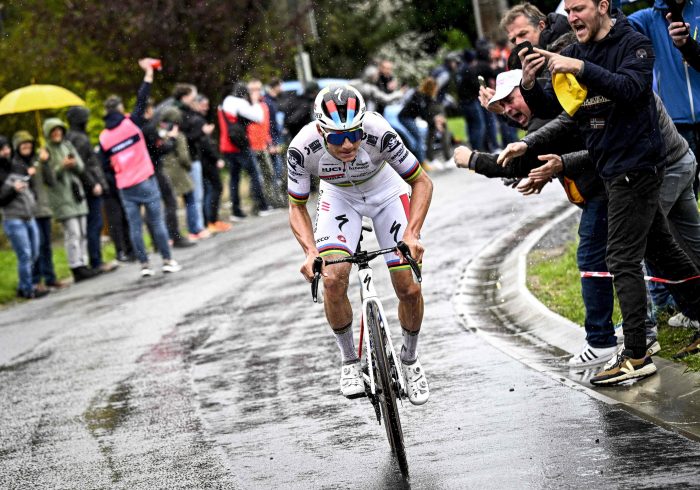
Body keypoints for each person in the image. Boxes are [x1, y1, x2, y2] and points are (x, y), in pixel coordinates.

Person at [519, 0, 700, 385]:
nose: (572, 17)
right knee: (666, 254)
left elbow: (632, 90)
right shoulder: (577, 51)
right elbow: (565, 108)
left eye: (580, 8)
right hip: (612, 168)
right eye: (569, 10)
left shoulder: (632, 43)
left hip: (638, 167)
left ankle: (636, 353)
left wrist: (581, 68)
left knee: (620, 258)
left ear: (603, 7)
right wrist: (530, 85)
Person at [287, 85, 433, 405]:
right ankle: (350, 360)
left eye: (354, 133)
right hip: (339, 199)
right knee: (333, 277)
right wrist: (310, 252)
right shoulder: (302, 148)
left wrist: (413, 233)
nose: (349, 143)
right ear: (320, 130)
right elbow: (296, 205)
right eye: (337, 138)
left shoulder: (379, 132)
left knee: (408, 286)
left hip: (386, 194)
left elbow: (421, 181)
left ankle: (409, 360)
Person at [98, 58, 181, 277]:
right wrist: (148, 74)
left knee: (135, 227)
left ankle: (144, 265)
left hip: (125, 186)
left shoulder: (104, 137)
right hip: (145, 178)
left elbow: (105, 165)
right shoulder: (130, 123)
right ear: (120, 109)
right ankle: (167, 260)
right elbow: (142, 99)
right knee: (156, 221)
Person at [41, 118, 99, 283]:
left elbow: (81, 167)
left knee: (82, 231)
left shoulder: (68, 145)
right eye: (54, 131)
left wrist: (73, 164)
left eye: (59, 130)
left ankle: (83, 262)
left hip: (76, 194)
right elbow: (50, 179)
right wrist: (60, 166)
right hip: (61, 197)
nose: (57, 133)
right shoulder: (46, 152)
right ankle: (75, 266)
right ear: (48, 133)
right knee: (72, 233)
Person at [12, 130, 67, 291]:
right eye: (23, 144)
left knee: (46, 246)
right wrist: (26, 174)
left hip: (44, 208)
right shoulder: (16, 165)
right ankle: (36, 280)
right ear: (17, 147)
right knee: (36, 246)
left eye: (29, 143)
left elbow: (51, 181)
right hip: (29, 211)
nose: (27, 146)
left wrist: (46, 162)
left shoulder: (38, 160)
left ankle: (50, 278)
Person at [65, 106, 117, 274]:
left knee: (91, 226)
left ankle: (92, 260)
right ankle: (96, 261)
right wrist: (93, 183)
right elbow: (82, 166)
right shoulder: (79, 139)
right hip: (89, 187)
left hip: (84, 186)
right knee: (94, 225)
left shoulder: (72, 137)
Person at [218, 81, 275, 220]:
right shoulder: (239, 103)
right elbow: (259, 117)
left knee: (234, 178)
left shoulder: (225, 103)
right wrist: (254, 102)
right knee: (255, 174)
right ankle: (262, 206)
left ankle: (236, 210)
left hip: (226, 145)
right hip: (240, 146)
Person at [0, 136, 47, 299]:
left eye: (6, 147)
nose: (5, 151)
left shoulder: (17, 166)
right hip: (13, 218)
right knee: (25, 255)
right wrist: (13, 189)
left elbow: (29, 187)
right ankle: (28, 289)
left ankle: (25, 285)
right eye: (2, 149)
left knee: (34, 252)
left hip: (29, 215)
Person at [172, 83, 211, 240]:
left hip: (190, 157)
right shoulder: (181, 114)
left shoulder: (183, 112)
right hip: (189, 158)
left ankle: (197, 226)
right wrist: (202, 132)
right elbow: (186, 138)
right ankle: (196, 228)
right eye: (192, 96)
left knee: (193, 195)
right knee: (195, 195)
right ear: (185, 97)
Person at [194, 94, 230, 233]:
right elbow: (205, 143)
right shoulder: (198, 121)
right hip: (206, 160)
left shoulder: (198, 119)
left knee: (209, 190)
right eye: (203, 105)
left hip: (202, 160)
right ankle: (211, 220)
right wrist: (216, 158)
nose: (206, 108)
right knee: (215, 188)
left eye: (207, 105)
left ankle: (210, 220)